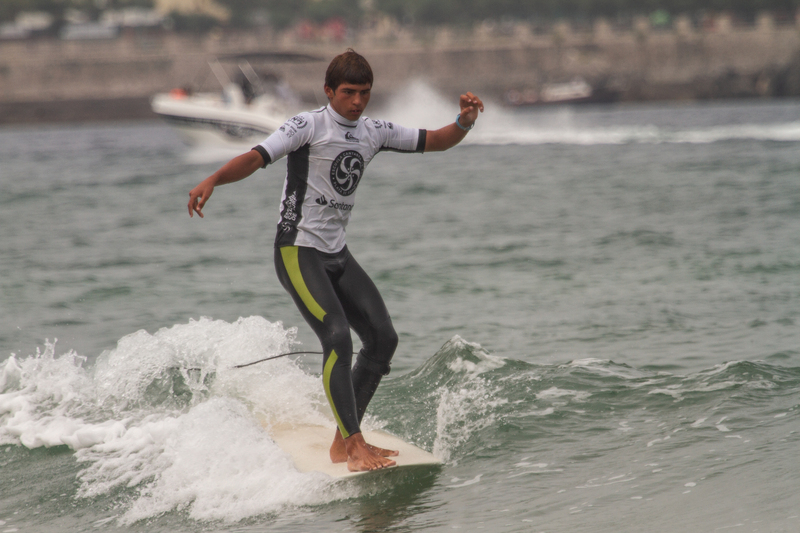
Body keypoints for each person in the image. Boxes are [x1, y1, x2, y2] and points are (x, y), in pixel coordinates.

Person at [188, 49, 484, 471]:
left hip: (336, 254)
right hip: (297, 250)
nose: (358, 101)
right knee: (338, 336)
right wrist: (214, 178)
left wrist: (463, 123)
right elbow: (255, 157)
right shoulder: (307, 126)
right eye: (349, 92)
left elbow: (434, 141)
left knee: (383, 339)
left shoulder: (373, 131)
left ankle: (342, 442)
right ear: (329, 91)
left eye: (364, 93)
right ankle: (354, 442)